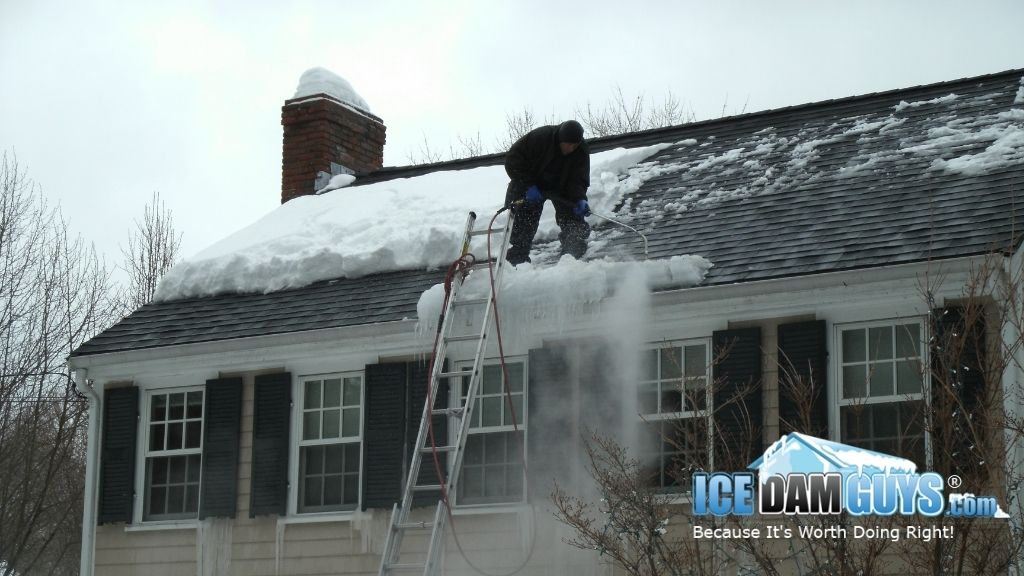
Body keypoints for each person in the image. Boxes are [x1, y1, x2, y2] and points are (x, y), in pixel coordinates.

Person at [503, 120, 591, 265]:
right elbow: (513, 159)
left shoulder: (581, 151)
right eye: (567, 144)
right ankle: (517, 262)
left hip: (562, 186)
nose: (571, 149)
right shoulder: (540, 137)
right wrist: (528, 185)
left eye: (574, 145)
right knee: (523, 222)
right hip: (530, 182)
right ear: (560, 139)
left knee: (573, 218)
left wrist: (580, 198)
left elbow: (578, 180)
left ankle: (571, 260)